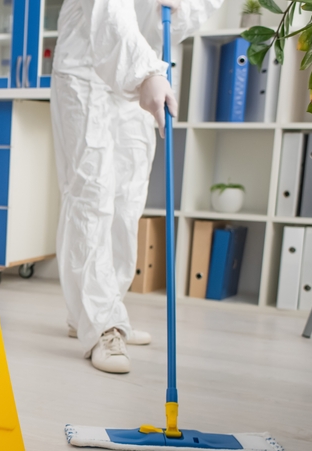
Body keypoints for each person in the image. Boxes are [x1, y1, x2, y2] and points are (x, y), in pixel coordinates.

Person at [51, 0, 222, 373]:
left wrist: (181, 10)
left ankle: (99, 308)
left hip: (135, 67)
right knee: (90, 192)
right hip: (85, 66)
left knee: (127, 199)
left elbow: (176, 22)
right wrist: (145, 72)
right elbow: (108, 11)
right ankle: (102, 325)